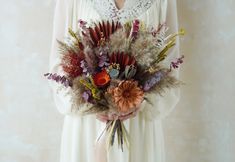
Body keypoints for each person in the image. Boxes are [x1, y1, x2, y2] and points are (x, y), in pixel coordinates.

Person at [49, 0, 180, 162]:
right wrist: (92, 100)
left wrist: (140, 101)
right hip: (87, 126)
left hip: (138, 126)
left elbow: (170, 65)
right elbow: (58, 65)